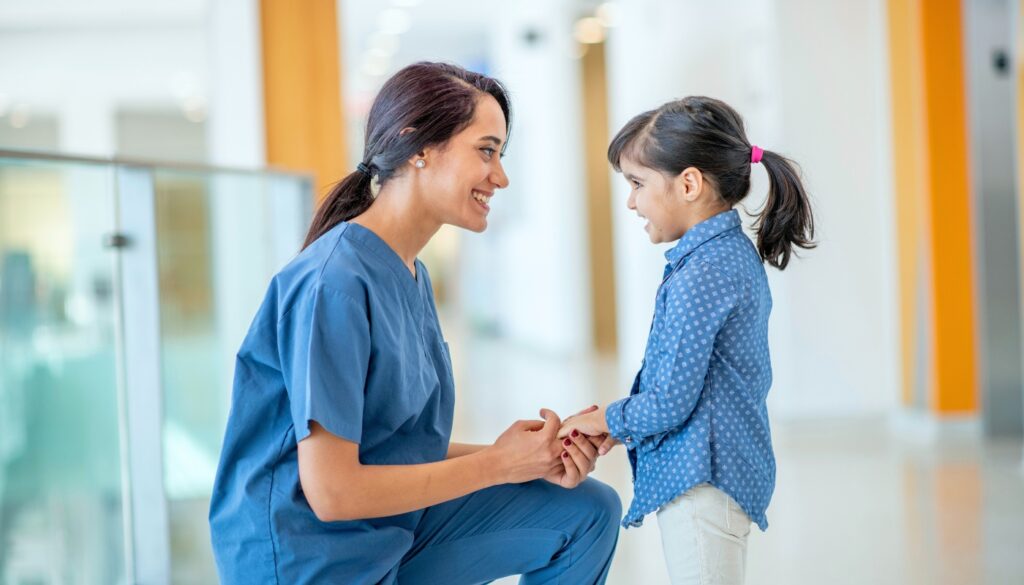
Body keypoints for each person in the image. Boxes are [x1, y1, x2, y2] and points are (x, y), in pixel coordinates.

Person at [208, 62, 621, 584]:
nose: (501, 176)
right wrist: (497, 466)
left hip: (386, 533)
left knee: (587, 512)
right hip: (308, 559)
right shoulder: (332, 283)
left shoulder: (409, 271)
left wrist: (531, 457)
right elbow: (333, 493)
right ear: (418, 147)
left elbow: (395, 446)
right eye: (486, 150)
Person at [559, 96, 815, 585]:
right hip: (715, 476)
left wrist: (606, 417)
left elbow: (670, 401)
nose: (631, 201)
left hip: (703, 480)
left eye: (637, 184)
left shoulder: (704, 271)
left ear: (689, 183)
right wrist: (618, 426)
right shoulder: (723, 255)